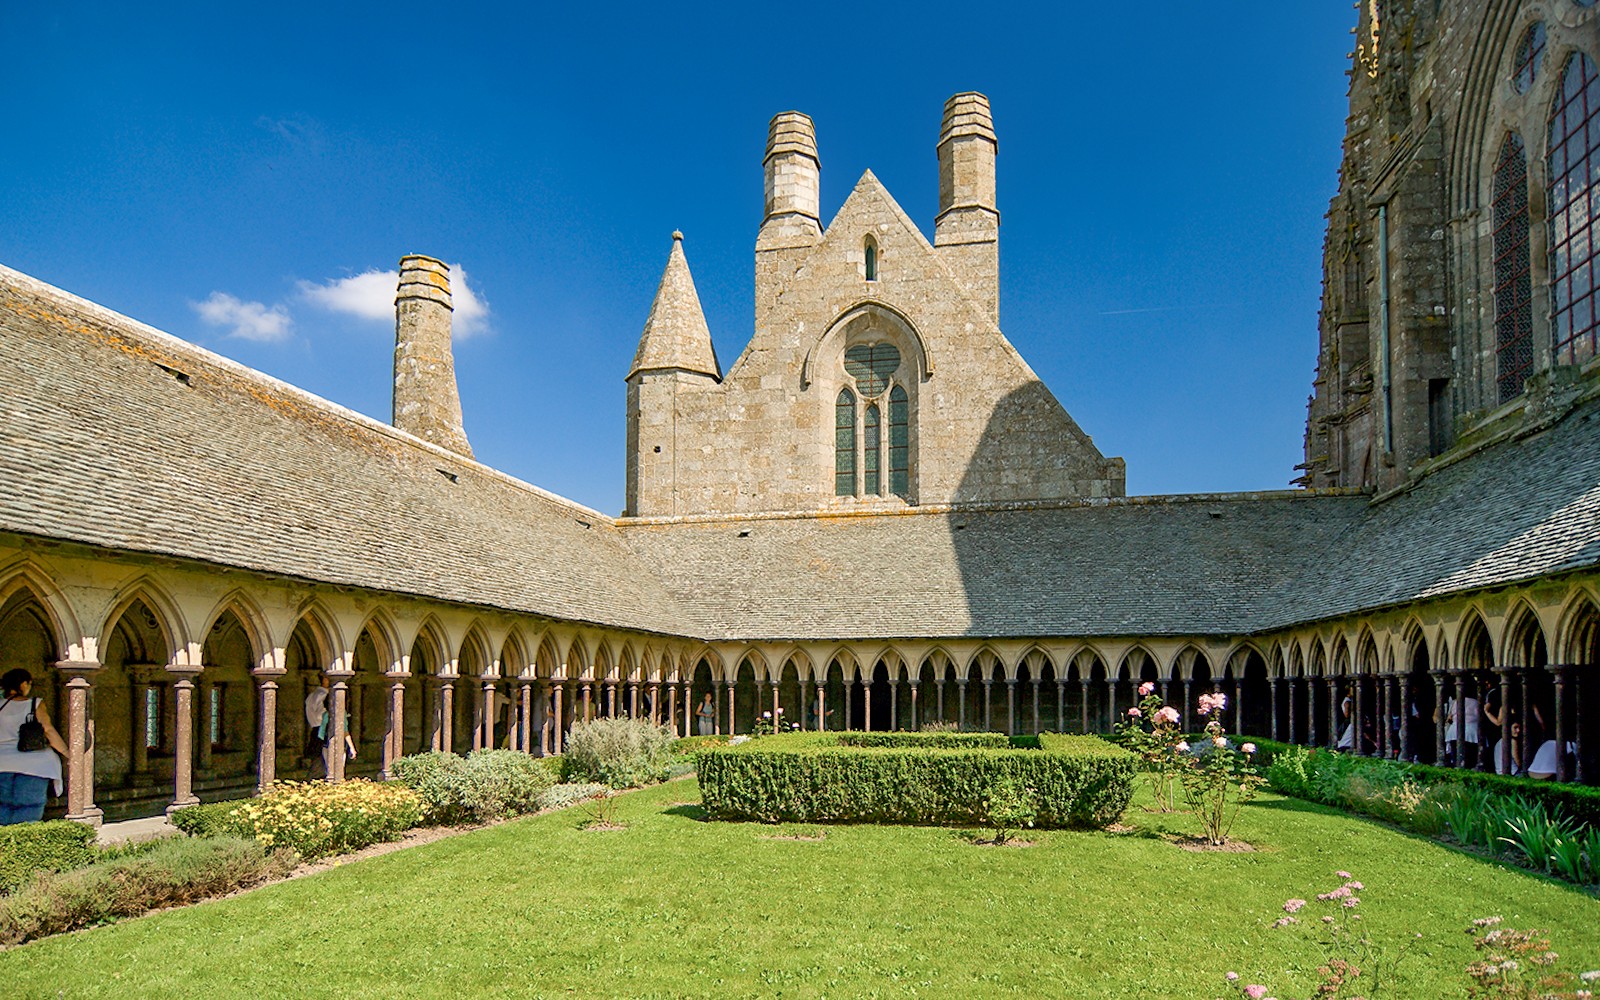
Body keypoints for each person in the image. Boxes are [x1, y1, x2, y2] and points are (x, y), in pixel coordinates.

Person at [0, 668, 68, 825]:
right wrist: (68, 752)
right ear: (24, 684)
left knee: (2, 807)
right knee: (29, 809)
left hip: (2, 763)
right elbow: (48, 730)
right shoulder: (34, 704)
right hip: (34, 765)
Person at [1436, 688, 1480, 768]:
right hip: (1472, 731)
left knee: (1457, 756)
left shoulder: (1456, 702)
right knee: (1471, 757)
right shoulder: (1477, 702)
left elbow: (1450, 717)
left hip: (1455, 731)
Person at [304, 674, 329, 777]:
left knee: (317, 759)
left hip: (315, 729)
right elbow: (321, 714)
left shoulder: (312, 695)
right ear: (325, 680)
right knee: (322, 760)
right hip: (323, 729)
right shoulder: (322, 695)